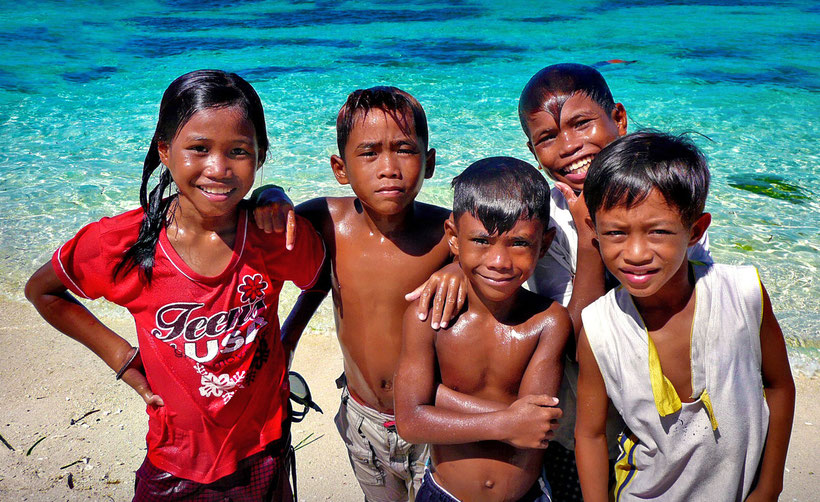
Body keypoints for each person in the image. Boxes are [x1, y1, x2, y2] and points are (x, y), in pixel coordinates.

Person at [411, 63, 712, 499]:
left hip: (662, 411)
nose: (569, 146)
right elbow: (569, 336)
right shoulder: (546, 219)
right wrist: (454, 268)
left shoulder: (666, 198)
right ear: (533, 151)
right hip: (577, 420)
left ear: (620, 119)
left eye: (582, 124)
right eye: (548, 138)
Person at [24, 70, 326, 500]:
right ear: (165, 150)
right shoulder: (122, 244)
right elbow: (43, 291)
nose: (218, 169)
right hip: (175, 464)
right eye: (198, 149)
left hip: (263, 447)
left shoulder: (276, 236)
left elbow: (319, 281)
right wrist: (123, 358)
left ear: (260, 157)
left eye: (238, 151)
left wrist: (288, 339)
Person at [256, 86, 453, 501]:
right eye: (369, 153)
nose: (389, 167)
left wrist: (461, 273)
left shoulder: (449, 235)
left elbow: (502, 266)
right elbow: (317, 277)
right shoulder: (327, 220)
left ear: (429, 162)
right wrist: (270, 195)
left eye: (404, 149)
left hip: (436, 419)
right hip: (361, 418)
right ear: (340, 168)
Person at [575, 131, 795, 501]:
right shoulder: (599, 327)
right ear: (595, 236)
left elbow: (779, 387)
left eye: (658, 231)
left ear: (695, 230)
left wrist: (770, 485)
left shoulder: (743, 294)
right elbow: (590, 434)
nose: (636, 252)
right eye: (616, 233)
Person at [394, 157, 572, 502]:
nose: (499, 261)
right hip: (445, 493)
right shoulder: (427, 316)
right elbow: (410, 422)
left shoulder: (548, 322)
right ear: (453, 238)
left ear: (545, 244)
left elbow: (536, 426)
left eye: (519, 243)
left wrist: (439, 397)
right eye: (481, 241)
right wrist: (507, 422)